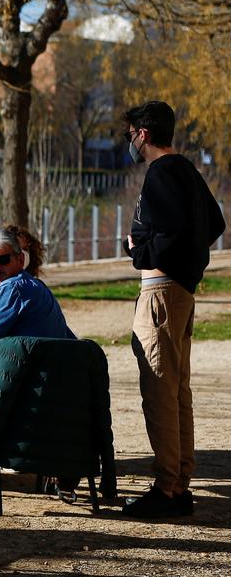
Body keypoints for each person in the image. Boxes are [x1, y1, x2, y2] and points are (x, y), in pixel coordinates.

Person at [121, 100, 225, 518]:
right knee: (178, 390)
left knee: (160, 390)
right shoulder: (186, 170)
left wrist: (141, 251)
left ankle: (166, 489)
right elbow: (214, 223)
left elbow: (172, 230)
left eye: (131, 134)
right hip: (181, 289)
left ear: (143, 134)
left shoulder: (161, 172)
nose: (129, 141)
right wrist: (188, 257)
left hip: (161, 290)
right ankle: (179, 482)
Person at [0, 228, 74, 363]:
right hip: (50, 368)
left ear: (21, 259)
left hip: (24, 373)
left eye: (3, 259)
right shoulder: (38, 285)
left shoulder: (12, 288)